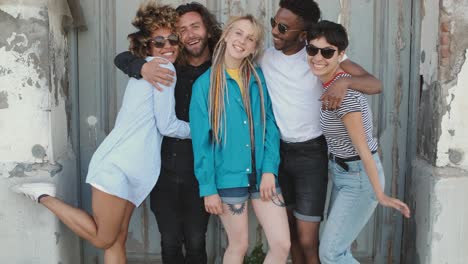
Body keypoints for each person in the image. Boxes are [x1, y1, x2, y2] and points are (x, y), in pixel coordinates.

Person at [11, 3, 188, 263]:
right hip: (118, 166)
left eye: (172, 39)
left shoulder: (147, 68)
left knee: (118, 238)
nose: (167, 46)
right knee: (105, 238)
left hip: (131, 168)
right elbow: (167, 125)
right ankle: (44, 196)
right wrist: (204, 129)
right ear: (147, 46)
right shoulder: (162, 68)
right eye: (158, 41)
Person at [260, 1, 383, 263]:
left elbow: (374, 84)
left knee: (308, 238)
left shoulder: (318, 56)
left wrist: (346, 82)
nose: (275, 31)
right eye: (273, 23)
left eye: (283, 27)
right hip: (280, 154)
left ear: (302, 34)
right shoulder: (266, 57)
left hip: (311, 155)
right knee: (291, 234)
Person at [114, 2, 222, 263]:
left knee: (197, 240)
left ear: (208, 30)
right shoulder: (167, 66)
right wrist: (141, 67)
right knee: (170, 241)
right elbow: (122, 57)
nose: (190, 34)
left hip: (201, 170)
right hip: (163, 169)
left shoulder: (219, 69)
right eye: (182, 30)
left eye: (195, 26)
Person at [305, 20, 411, 264]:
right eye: (312, 49)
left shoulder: (344, 97)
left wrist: (380, 194)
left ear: (341, 55)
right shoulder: (331, 85)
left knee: (331, 254)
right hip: (342, 173)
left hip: (359, 178)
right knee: (338, 250)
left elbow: (364, 149)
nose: (317, 57)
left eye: (327, 52)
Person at [189, 15, 290, 264]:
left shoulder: (258, 79)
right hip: (228, 177)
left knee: (282, 244)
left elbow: (271, 128)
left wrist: (269, 170)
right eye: (238, 33)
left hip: (262, 175)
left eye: (250, 38)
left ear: (254, 47)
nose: (242, 41)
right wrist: (208, 189)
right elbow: (201, 144)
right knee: (239, 245)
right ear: (226, 35)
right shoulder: (204, 85)